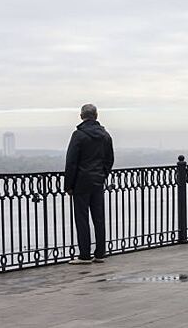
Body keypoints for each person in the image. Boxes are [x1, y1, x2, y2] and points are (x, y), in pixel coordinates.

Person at [65, 104, 114, 264]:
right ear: (96, 115)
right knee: (99, 218)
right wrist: (102, 175)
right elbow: (109, 160)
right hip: (97, 181)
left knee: (82, 218)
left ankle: (84, 255)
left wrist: (69, 185)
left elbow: (71, 162)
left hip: (81, 182)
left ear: (81, 116)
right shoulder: (105, 135)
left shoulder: (78, 135)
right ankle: (100, 253)